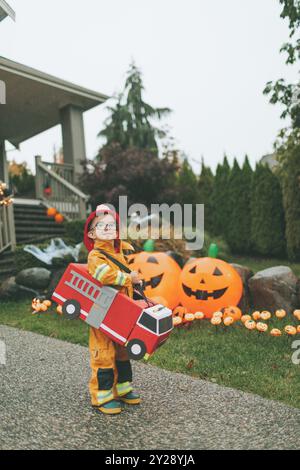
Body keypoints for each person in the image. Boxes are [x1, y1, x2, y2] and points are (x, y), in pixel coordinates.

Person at [84, 204, 141, 415]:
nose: (108, 228)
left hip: (118, 308)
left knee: (122, 349)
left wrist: (133, 286)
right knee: (104, 351)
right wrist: (128, 277)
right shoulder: (95, 255)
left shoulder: (118, 253)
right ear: (92, 233)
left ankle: (123, 387)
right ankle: (102, 395)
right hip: (101, 309)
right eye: (102, 225)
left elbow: (122, 279)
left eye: (112, 225)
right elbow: (103, 275)